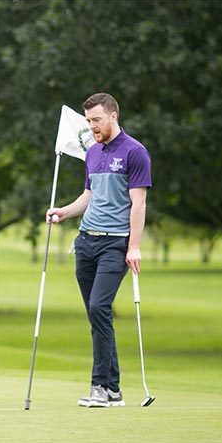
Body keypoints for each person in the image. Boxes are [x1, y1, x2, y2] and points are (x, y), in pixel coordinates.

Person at [47, 93, 151, 408]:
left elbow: (139, 203)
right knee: (97, 316)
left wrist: (134, 247)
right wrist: (63, 212)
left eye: (97, 120)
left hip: (115, 243)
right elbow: (88, 197)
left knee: (99, 307)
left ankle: (100, 387)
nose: (92, 126)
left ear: (113, 116)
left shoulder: (135, 152)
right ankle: (114, 390)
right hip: (86, 242)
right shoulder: (92, 152)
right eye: (89, 120)